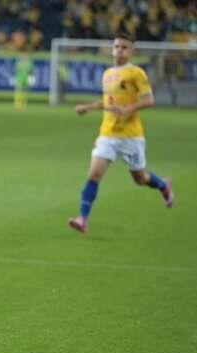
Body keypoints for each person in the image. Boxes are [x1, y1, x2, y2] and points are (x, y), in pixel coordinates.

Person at [69, 33, 174, 233]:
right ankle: (82, 219)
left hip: (131, 136)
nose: (119, 50)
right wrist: (87, 107)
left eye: (124, 47)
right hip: (107, 134)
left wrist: (128, 109)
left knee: (140, 178)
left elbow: (149, 99)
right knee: (94, 174)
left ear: (131, 51)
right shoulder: (107, 74)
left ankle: (163, 185)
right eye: (116, 46)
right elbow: (107, 102)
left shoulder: (136, 73)